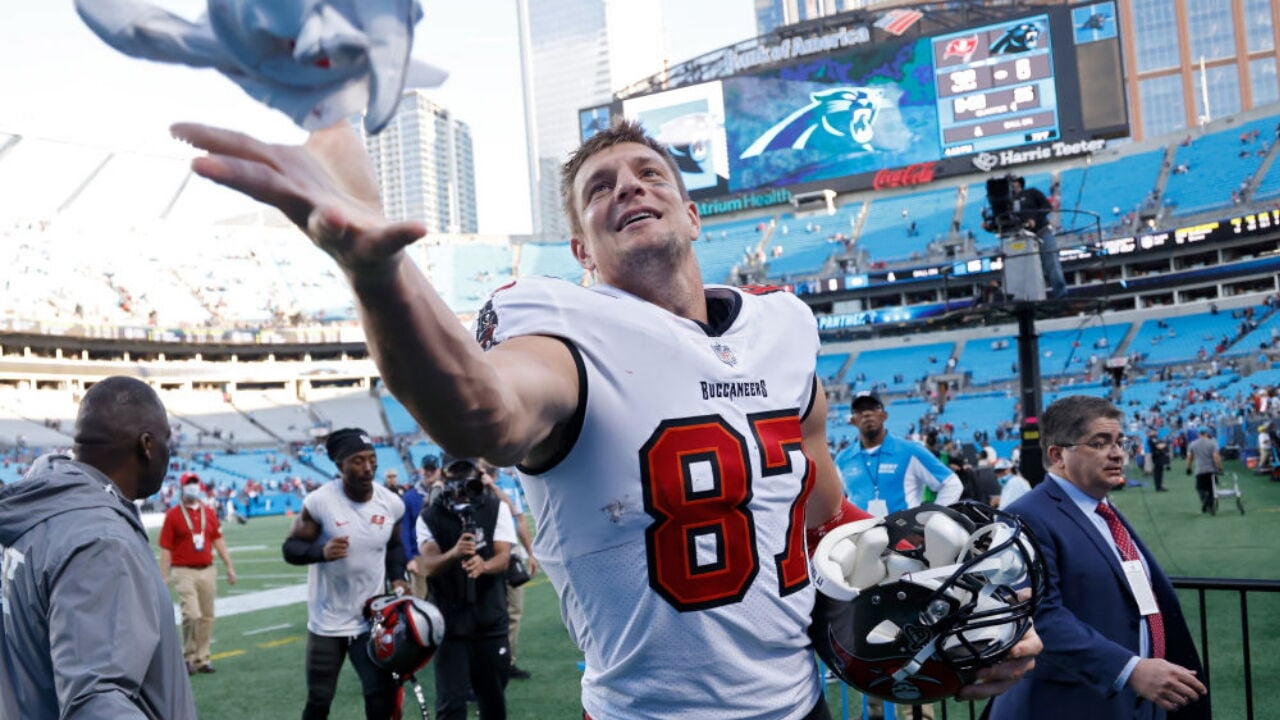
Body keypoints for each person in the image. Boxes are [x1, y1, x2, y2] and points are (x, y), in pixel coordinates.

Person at [175, 117, 1039, 719]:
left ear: (692, 211)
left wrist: (921, 625)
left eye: (649, 173)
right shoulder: (566, 338)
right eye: (599, 189)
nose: (628, 186)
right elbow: (480, 412)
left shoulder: (785, 333)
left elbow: (819, 515)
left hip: (797, 706)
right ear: (582, 253)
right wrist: (374, 275)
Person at [989, 395, 1209, 719]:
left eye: (1120, 442)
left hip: (1135, 703)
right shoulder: (1025, 517)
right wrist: (1130, 670)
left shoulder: (1104, 510)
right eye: (1100, 442)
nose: (1117, 453)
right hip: (1069, 705)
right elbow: (1039, 615)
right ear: (1058, 455)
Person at [0, 376, 196, 718]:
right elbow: (98, 701)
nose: (169, 450)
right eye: (167, 439)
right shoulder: (101, 540)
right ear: (146, 445)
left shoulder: (41, 511)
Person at [282, 427, 408, 720]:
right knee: (319, 700)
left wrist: (399, 577)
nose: (368, 468)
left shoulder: (391, 503)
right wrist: (320, 552)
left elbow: (394, 547)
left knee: (379, 695)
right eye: (358, 461)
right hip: (328, 621)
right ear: (340, 466)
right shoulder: (319, 502)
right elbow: (290, 549)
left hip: (371, 618)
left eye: (372, 459)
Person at [417, 458, 515, 720]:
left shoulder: (496, 508)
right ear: (443, 475)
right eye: (455, 472)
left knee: (493, 699)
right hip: (450, 623)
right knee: (451, 704)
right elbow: (428, 564)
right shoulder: (430, 515)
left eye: (467, 472)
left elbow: (503, 557)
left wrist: (483, 565)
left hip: (489, 619)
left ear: (478, 474)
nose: (461, 481)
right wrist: (454, 554)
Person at [836, 391, 963, 517]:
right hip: (858, 535)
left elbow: (951, 484)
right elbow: (832, 502)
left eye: (873, 408)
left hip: (902, 535)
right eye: (859, 410)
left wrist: (932, 520)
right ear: (852, 420)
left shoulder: (910, 451)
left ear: (884, 415)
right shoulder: (842, 460)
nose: (867, 413)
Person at [159, 471, 237, 675]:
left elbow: (218, 539)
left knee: (207, 616)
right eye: (189, 484)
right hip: (184, 570)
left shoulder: (208, 512)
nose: (192, 487)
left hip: (207, 569)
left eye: (195, 483)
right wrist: (163, 576)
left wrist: (229, 565)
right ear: (182, 487)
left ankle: (203, 658)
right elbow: (166, 548)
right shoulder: (173, 515)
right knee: (192, 614)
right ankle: (188, 656)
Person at [482, 461, 538, 680]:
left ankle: (508, 661)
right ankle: (486, 665)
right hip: (486, 557)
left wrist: (530, 553)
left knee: (514, 610)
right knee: (489, 613)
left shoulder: (507, 481)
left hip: (511, 556)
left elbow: (518, 517)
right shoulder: (472, 483)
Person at [1011, 175, 1067, 299]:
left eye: (1013, 182)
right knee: (1027, 270)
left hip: (1042, 231)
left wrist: (1034, 218)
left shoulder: (1032, 192)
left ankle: (1062, 296)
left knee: (1051, 263)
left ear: (1019, 183)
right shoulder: (1008, 202)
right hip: (1024, 238)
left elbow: (1047, 206)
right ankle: (1032, 298)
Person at [402, 453, 441, 599]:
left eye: (433, 469)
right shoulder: (410, 497)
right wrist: (410, 558)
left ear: (439, 471)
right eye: (427, 469)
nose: (429, 472)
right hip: (420, 557)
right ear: (422, 470)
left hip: (443, 555)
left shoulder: (447, 493)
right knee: (420, 599)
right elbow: (405, 529)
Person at [1186, 428, 1222, 514]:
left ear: (1198, 434)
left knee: (1199, 488)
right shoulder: (1212, 443)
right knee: (1212, 489)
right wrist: (1219, 467)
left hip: (1200, 470)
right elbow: (1216, 457)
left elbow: (1190, 457)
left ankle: (1204, 498)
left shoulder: (1193, 444)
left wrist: (1188, 468)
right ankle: (1211, 506)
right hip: (1211, 469)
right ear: (1206, 434)